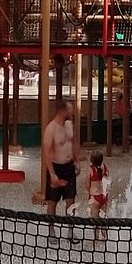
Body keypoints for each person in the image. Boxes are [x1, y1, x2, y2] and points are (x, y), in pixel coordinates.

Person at [42, 98, 80, 241]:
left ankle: (70, 231)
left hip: (69, 167)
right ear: (63, 111)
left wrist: (76, 160)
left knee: (71, 200)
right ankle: (52, 231)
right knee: (52, 202)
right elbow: (46, 152)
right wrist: (52, 174)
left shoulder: (69, 125)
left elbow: (74, 143)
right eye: (70, 110)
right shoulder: (50, 129)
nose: (72, 113)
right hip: (56, 168)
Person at [87, 150, 109, 245]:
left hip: (94, 197)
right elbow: (107, 181)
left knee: (95, 219)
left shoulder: (91, 170)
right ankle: (104, 237)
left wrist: (89, 192)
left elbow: (86, 183)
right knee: (103, 218)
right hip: (103, 196)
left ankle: (96, 238)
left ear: (91, 160)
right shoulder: (104, 167)